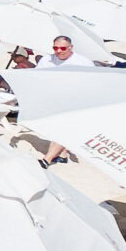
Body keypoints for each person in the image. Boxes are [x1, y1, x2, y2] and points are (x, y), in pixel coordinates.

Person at [37, 36, 94, 165]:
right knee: (52, 128)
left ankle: (47, 159)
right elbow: (37, 77)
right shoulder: (46, 60)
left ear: (70, 47)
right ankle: (62, 155)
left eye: (62, 48)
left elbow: (91, 83)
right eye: (55, 48)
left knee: (62, 129)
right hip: (51, 99)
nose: (59, 51)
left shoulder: (83, 63)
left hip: (74, 101)